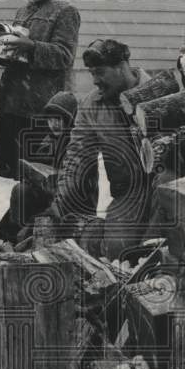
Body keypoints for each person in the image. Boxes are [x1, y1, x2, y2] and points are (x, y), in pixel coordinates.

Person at [47, 40, 154, 261]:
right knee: (117, 250)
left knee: (160, 246)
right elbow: (77, 157)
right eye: (91, 73)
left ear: (122, 66)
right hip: (128, 193)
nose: (95, 80)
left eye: (100, 72)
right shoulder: (92, 105)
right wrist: (61, 199)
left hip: (166, 187)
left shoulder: (161, 92)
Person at [0, 0, 81, 179]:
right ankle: (20, 210)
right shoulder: (24, 10)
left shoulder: (65, 10)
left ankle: (38, 214)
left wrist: (31, 46)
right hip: (15, 102)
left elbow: (64, 55)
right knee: (18, 171)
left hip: (41, 106)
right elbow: (15, 49)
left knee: (40, 172)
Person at [0, 91, 98, 247]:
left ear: (69, 120)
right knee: (21, 191)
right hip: (49, 197)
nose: (53, 124)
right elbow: (39, 171)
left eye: (59, 119)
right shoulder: (48, 141)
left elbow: (78, 187)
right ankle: (15, 237)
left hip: (73, 204)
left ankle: (26, 237)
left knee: (37, 208)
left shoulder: (79, 145)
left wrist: (55, 184)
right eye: (50, 119)